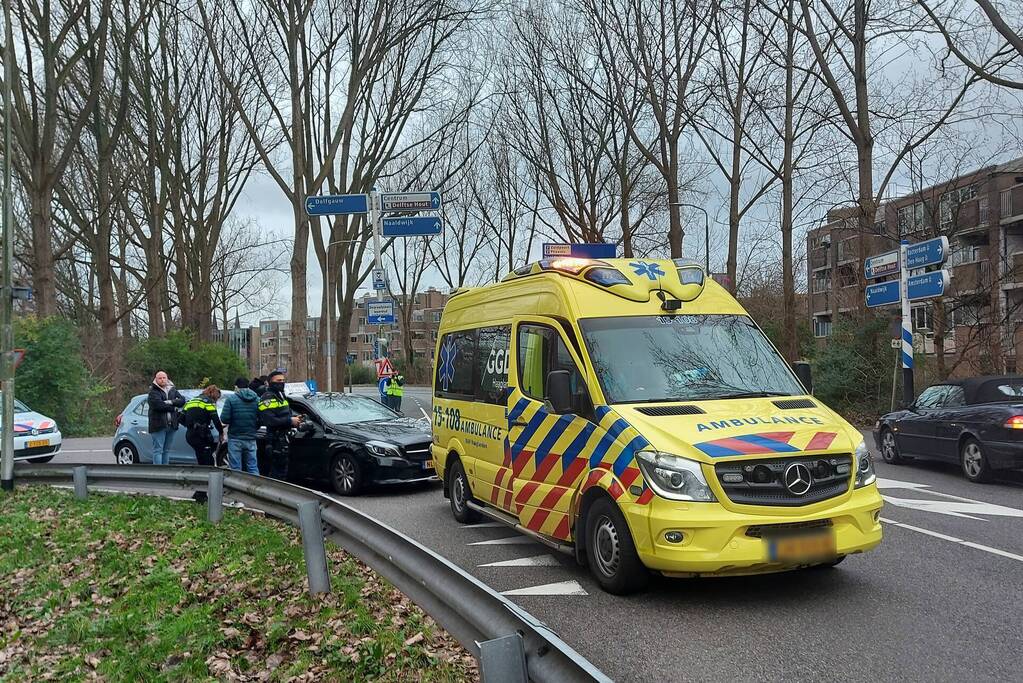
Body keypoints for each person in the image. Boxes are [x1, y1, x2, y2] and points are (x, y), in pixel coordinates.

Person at [258, 370, 301, 480]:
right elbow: (269, 420)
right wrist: (290, 421)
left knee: (283, 473)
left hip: (284, 439)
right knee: (276, 475)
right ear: (270, 382)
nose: (281, 383)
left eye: (283, 380)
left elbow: (287, 413)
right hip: (274, 440)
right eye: (278, 381)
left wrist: (296, 420)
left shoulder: (281, 396)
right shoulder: (267, 398)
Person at [222, 377, 260, 474]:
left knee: (235, 468)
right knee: (252, 466)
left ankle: (237, 488)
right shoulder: (257, 399)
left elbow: (224, 419)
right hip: (251, 437)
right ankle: (256, 487)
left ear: (236, 387)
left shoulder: (231, 399)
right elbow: (262, 418)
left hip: (235, 437)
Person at [147, 371, 185, 465]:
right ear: (156, 379)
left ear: (167, 378)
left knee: (167, 450)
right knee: (158, 450)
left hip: (172, 424)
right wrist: (173, 407)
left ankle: (166, 472)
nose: (162, 380)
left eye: (164, 378)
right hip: (158, 425)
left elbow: (182, 401)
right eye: (160, 378)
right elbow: (158, 405)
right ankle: (158, 473)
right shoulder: (153, 392)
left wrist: (169, 402)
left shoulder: (172, 389)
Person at [182, 385, 225, 467]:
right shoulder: (209, 402)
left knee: (200, 457)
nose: (216, 401)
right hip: (202, 435)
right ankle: (209, 478)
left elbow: (180, 419)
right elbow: (216, 420)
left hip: (190, 434)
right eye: (216, 398)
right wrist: (221, 433)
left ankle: (201, 476)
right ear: (213, 394)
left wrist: (191, 425)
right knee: (208, 460)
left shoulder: (191, 401)